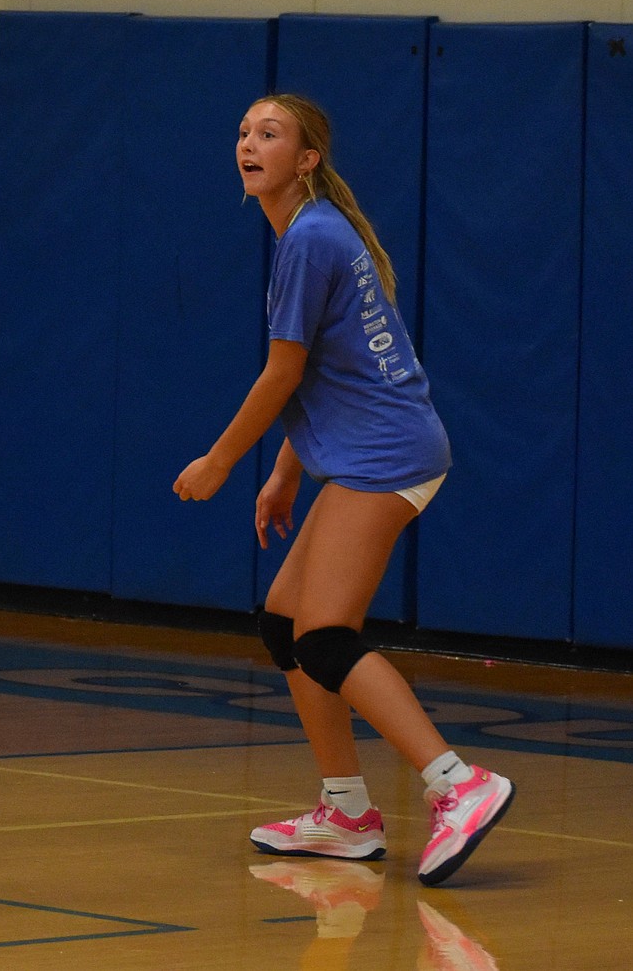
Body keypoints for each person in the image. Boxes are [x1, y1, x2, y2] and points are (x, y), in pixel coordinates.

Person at [172, 93, 514, 887]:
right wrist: (287, 474)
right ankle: (346, 813)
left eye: (270, 134)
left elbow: (284, 372)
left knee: (326, 636)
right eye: (243, 131)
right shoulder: (312, 232)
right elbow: (330, 369)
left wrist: (224, 461)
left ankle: (456, 784)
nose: (249, 144)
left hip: (387, 455)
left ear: (307, 161)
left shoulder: (310, 240)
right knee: (287, 626)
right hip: (364, 450)